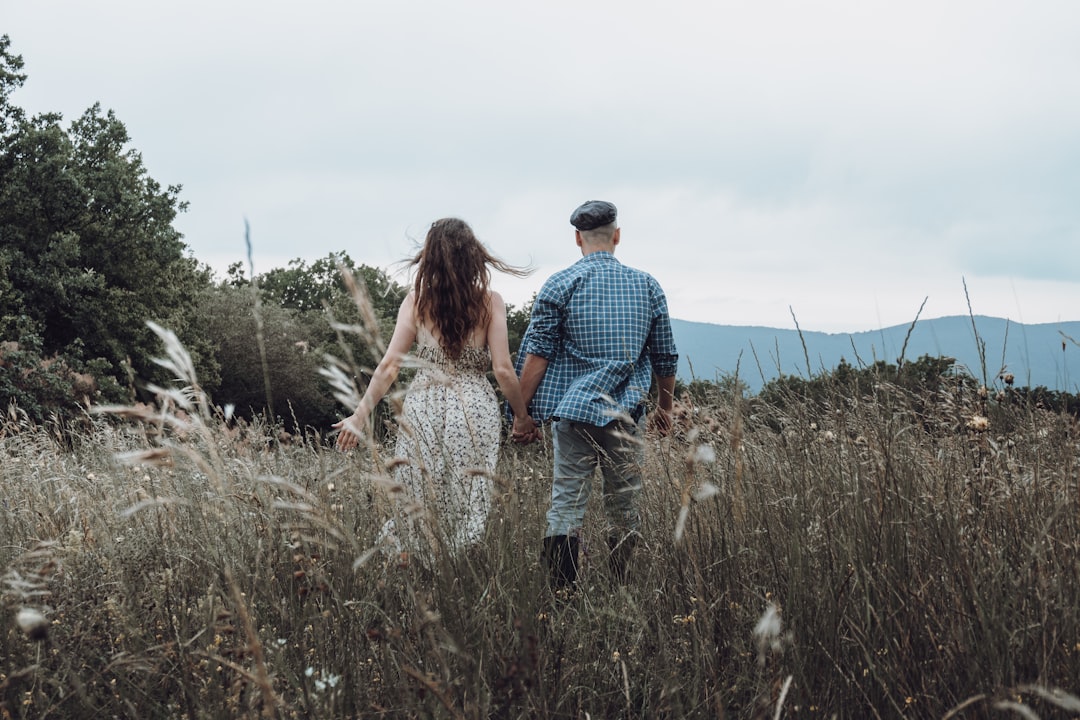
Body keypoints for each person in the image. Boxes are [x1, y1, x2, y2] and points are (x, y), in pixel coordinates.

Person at [334, 218, 538, 555]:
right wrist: (522, 417)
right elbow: (503, 369)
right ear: (474, 256)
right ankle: (460, 566)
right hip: (474, 406)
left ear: (430, 257)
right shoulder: (490, 302)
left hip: (423, 404)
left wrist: (359, 416)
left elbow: (389, 366)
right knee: (468, 490)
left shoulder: (417, 301)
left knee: (418, 490)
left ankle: (416, 563)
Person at [516, 200, 678, 590]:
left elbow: (537, 356)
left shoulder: (559, 284)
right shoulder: (647, 285)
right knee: (624, 507)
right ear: (617, 235)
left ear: (577, 238)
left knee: (567, 503)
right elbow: (665, 354)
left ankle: (562, 596)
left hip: (574, 414)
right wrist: (665, 408)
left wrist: (522, 416)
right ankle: (620, 587)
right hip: (627, 416)